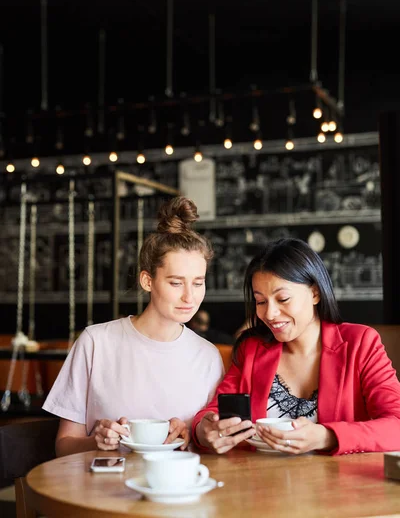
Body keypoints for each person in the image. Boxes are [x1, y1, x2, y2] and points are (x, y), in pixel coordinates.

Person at [43, 196, 224, 457]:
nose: (190, 297)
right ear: (147, 281)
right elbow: (64, 445)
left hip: (176, 491)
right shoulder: (96, 342)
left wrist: (191, 436)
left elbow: (212, 448)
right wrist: (98, 441)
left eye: (198, 283)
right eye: (176, 283)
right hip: (101, 492)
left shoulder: (207, 356)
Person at [193, 238, 400, 455]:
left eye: (282, 299)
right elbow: (214, 413)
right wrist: (204, 430)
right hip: (262, 483)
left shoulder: (361, 344)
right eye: (261, 302)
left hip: (341, 484)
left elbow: (396, 425)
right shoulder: (251, 348)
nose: (270, 314)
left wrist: (327, 436)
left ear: (315, 293)